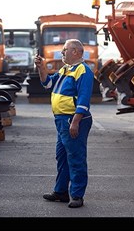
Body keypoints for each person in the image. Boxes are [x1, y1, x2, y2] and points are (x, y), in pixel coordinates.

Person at [34, 38, 94, 208]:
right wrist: (42, 68)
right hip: (62, 121)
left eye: (65, 50)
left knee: (75, 158)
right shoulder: (65, 69)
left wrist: (75, 122)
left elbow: (83, 100)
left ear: (75, 51)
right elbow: (48, 84)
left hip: (72, 120)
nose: (62, 53)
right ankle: (61, 192)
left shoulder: (83, 71)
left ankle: (77, 195)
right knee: (62, 157)